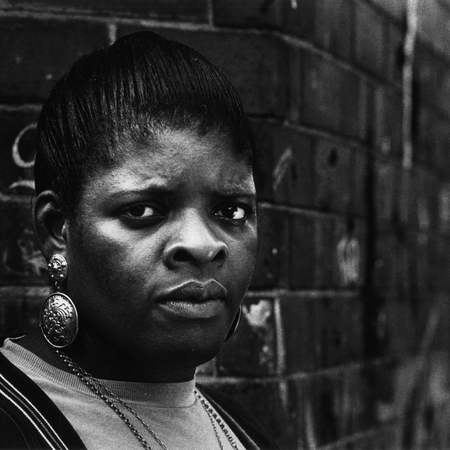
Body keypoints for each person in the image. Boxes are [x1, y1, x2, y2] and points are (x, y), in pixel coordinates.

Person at [0, 31, 278, 449]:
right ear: (58, 229)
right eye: (143, 211)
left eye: (231, 211)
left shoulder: (242, 430)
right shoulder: (13, 423)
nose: (203, 245)